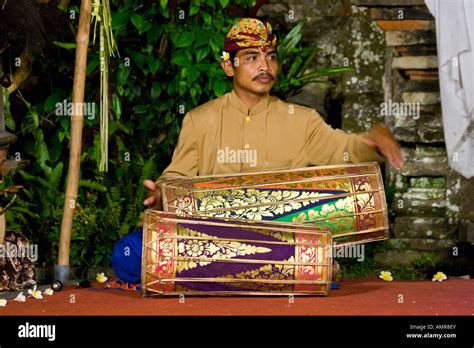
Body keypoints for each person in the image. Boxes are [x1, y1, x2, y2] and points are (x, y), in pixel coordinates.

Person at [111, 18, 404, 284]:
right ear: (229, 66)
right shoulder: (200, 120)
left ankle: (231, 272)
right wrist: (163, 192)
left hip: (280, 236)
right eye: (252, 57)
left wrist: (371, 139)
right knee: (130, 253)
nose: (265, 66)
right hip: (213, 238)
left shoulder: (301, 119)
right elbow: (176, 176)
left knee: (281, 247)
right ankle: (292, 269)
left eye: (271, 57)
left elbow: (344, 149)